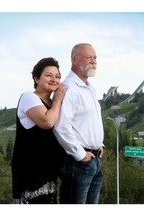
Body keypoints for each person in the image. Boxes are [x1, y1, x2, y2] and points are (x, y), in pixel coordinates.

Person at [53, 43, 104, 204]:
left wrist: (99, 144)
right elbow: (61, 126)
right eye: (89, 57)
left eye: (95, 58)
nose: (93, 61)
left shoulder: (90, 88)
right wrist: (80, 154)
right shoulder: (68, 88)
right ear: (74, 60)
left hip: (95, 160)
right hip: (78, 163)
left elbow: (88, 121)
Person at [11, 57, 67, 204]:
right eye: (49, 75)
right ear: (36, 78)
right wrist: (58, 100)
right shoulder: (29, 97)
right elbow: (47, 122)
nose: (54, 79)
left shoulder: (53, 104)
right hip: (31, 177)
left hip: (50, 175)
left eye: (58, 76)